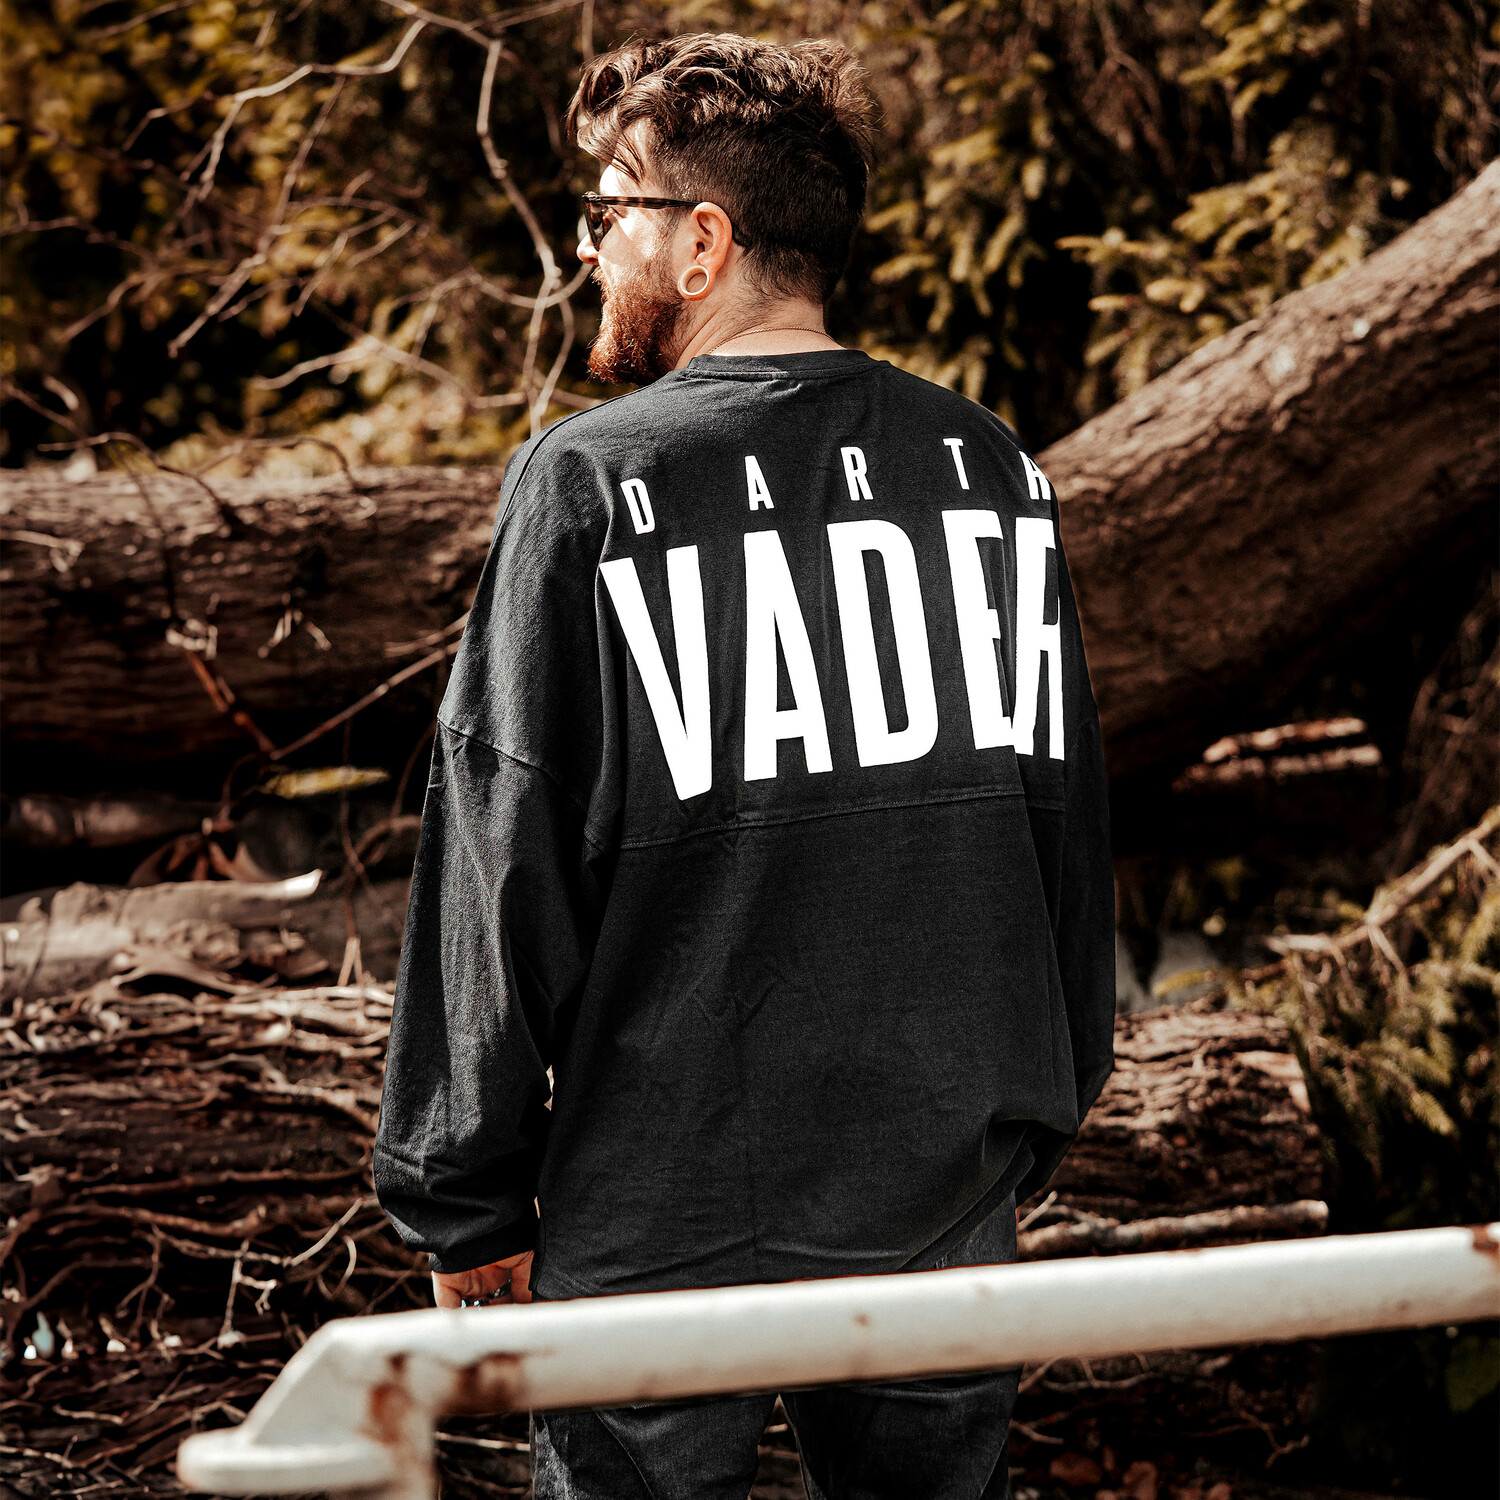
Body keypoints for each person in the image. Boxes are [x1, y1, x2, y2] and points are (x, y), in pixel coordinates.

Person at [375, 31, 1116, 1500]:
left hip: (659, 1205)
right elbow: (1066, 831)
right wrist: (1037, 1105)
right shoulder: (991, 471)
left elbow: (500, 849)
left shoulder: (591, 486)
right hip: (941, 1188)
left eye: (609, 212)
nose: (589, 250)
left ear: (701, 241)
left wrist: (460, 1192)